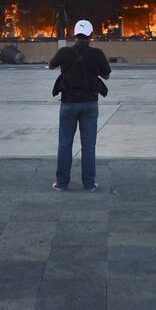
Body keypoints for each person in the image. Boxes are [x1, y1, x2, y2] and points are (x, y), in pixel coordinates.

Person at [49, 19, 111, 191]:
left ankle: (61, 183)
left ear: (74, 35)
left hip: (69, 103)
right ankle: (89, 184)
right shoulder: (97, 53)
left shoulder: (64, 52)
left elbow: (50, 65)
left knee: (65, 143)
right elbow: (106, 75)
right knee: (89, 145)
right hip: (90, 104)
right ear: (91, 35)